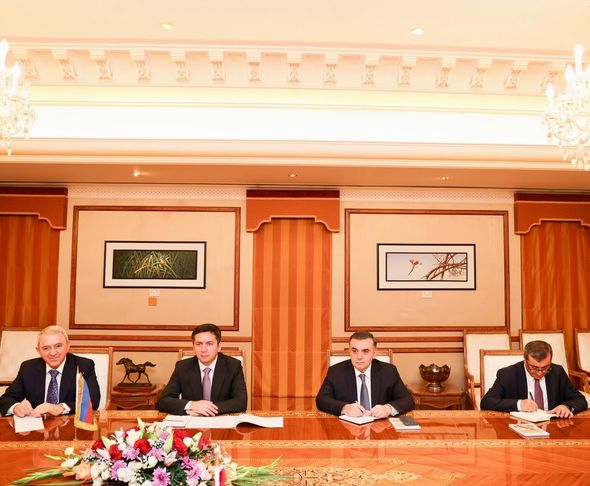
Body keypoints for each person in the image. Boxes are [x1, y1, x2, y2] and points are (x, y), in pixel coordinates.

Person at [0, 325, 101, 417]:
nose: (53, 353)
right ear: (38, 351)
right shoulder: (28, 368)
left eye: (58, 346)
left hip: (69, 425)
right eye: (46, 348)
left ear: (68, 346)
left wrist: (60, 408)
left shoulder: (83, 366)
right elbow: (6, 399)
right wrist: (15, 407)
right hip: (37, 426)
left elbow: (92, 401)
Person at [316, 331, 414, 418]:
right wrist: (345, 408)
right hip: (348, 426)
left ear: (374, 353)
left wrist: (388, 408)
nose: (359, 357)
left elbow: (407, 400)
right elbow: (321, 400)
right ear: (349, 351)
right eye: (354, 351)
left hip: (380, 427)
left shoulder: (388, 371)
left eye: (365, 351)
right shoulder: (335, 371)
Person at [157, 323, 247, 415]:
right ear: (193, 347)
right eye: (198, 344)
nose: (203, 349)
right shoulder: (183, 367)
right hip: (192, 421)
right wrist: (191, 405)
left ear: (219, 346)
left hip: (221, 419)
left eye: (209, 344)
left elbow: (241, 402)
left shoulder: (233, 366)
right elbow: (163, 401)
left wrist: (206, 409)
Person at [480, 340, 588, 417]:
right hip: (519, 427)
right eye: (534, 368)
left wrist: (566, 406)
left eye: (545, 368)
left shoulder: (557, 372)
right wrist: (519, 404)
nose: (540, 373)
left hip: (554, 426)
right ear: (525, 360)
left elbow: (580, 400)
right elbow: (487, 402)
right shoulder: (508, 374)